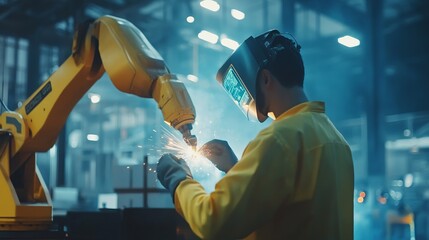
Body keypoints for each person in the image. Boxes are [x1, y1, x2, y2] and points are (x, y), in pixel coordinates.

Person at [157, 29, 354, 239]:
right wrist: (235, 168)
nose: (245, 101)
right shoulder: (335, 140)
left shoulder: (279, 139)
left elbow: (212, 221)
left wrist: (179, 179)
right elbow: (289, 205)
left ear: (266, 79)